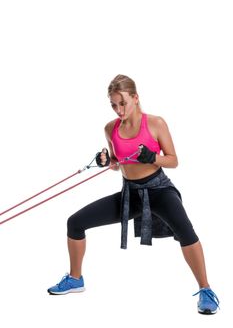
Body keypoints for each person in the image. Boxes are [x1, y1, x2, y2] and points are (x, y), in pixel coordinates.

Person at [47, 74, 219, 314]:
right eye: (114, 105)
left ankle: (206, 290)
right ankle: (76, 279)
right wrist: (106, 161)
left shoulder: (156, 123)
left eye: (123, 103)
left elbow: (173, 160)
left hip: (159, 189)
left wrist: (153, 157)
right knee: (75, 222)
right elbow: (117, 163)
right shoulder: (110, 128)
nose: (119, 110)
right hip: (130, 194)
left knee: (186, 232)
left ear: (135, 98)